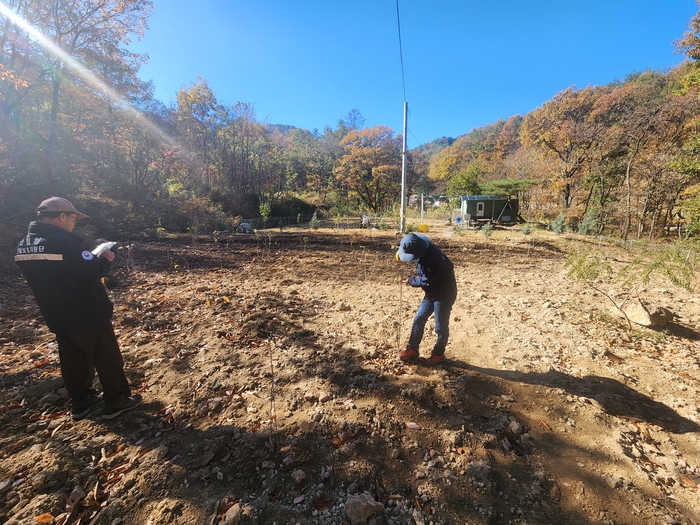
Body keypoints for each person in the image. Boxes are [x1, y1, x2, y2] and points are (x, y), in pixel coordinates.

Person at [14, 197, 142, 420]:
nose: (74, 224)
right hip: (86, 311)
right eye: (73, 218)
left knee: (73, 358)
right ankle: (117, 400)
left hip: (55, 312)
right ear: (62, 217)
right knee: (105, 354)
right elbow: (90, 270)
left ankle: (81, 402)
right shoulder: (62, 242)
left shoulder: (25, 244)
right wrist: (104, 260)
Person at [396, 232, 457, 365]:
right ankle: (413, 348)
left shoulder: (433, 259)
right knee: (419, 318)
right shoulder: (423, 248)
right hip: (432, 292)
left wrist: (411, 281)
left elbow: (427, 280)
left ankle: (439, 354)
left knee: (440, 327)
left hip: (443, 295)